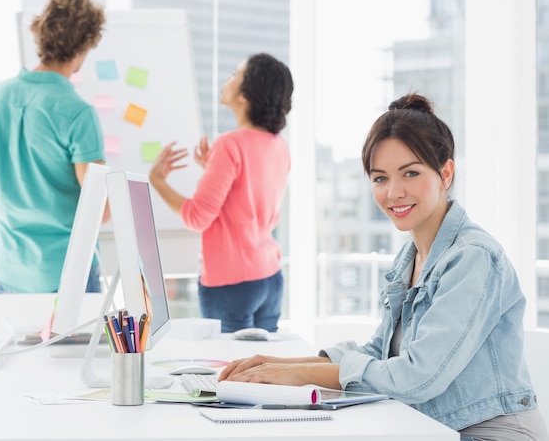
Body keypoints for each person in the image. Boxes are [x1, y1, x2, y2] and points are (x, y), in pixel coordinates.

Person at [219, 93, 549, 440]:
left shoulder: (473, 257)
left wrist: (302, 376)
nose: (394, 192)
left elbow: (418, 377)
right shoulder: (411, 258)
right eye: (380, 178)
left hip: (487, 434)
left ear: (446, 173)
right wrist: (280, 366)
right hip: (431, 428)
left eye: (410, 173)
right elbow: (377, 353)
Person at [0, 0, 108, 294]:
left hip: (10, 274)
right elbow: (99, 210)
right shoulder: (78, 113)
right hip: (68, 277)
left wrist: (18, 195)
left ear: (41, 35)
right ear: (84, 46)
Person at [149, 52, 293, 333]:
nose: (228, 79)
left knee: (229, 370)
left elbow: (196, 217)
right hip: (269, 277)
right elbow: (249, 201)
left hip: (231, 284)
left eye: (236, 74)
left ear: (245, 96)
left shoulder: (229, 144)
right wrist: (212, 168)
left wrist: (159, 182)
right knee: (262, 371)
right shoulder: (279, 145)